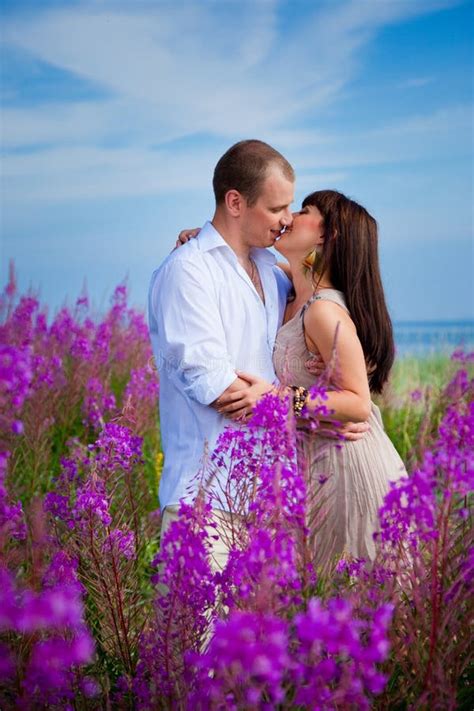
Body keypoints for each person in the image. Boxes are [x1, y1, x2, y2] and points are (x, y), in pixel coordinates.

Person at [148, 141, 368, 572]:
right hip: (205, 505)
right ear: (235, 202)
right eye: (277, 208)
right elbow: (220, 391)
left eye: (292, 208)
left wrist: (300, 404)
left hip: (270, 507)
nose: (287, 220)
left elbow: (310, 344)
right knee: (197, 638)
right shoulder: (187, 272)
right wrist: (310, 412)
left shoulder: (272, 269)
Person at [217, 190, 407, 567]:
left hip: (347, 469)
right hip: (312, 468)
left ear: (326, 236)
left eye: (303, 211)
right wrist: (206, 238)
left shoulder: (323, 311)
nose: (288, 216)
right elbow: (256, 259)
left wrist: (280, 399)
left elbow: (357, 402)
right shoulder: (292, 288)